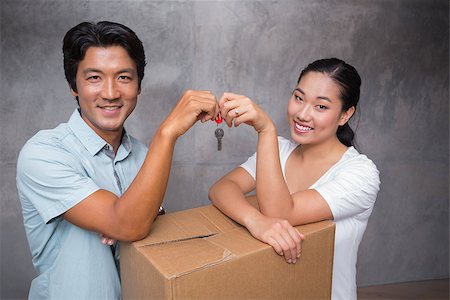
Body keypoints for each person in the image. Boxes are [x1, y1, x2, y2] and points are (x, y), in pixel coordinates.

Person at [16, 21, 219, 299]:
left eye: (124, 77)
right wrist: (167, 132)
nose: (110, 93)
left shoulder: (143, 156)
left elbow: (145, 235)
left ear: (139, 86)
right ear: (73, 86)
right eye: (94, 78)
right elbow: (131, 225)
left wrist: (132, 219)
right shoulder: (43, 153)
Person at [209, 58, 380, 300]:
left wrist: (265, 129)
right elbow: (222, 188)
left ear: (345, 114)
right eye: (299, 98)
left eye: (321, 107)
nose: (302, 114)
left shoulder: (360, 173)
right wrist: (254, 220)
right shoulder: (278, 150)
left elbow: (280, 213)